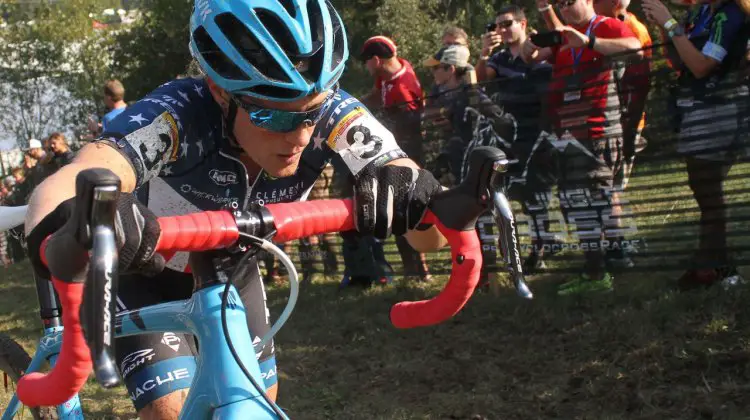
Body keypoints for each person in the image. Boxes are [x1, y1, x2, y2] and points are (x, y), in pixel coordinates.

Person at [23, 1, 444, 418]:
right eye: (271, 114)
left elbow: (429, 238)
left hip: (233, 273)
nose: (299, 135)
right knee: (170, 412)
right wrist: (76, 213)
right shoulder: (179, 113)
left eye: (312, 114)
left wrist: (413, 193)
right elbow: (84, 171)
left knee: (258, 405)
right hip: (148, 277)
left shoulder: (333, 110)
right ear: (220, 91)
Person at [521, 0, 642, 295]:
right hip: (569, 133)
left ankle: (598, 273)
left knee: (589, 200)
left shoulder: (604, 25)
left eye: (569, 2)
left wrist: (589, 41)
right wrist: (529, 50)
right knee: (575, 201)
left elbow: (635, 48)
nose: (564, 8)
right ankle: (599, 266)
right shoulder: (565, 34)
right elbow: (538, 56)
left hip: (597, 129)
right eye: (559, 4)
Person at [642, 0, 750, 289]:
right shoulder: (703, 12)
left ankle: (721, 270)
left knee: (708, 192)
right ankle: (710, 268)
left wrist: (669, 24)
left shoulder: (731, 13)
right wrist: (665, 30)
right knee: (704, 190)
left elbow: (702, 66)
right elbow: (681, 62)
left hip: (720, 107)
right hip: (699, 108)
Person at [424, 44, 516, 289]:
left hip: (478, 174)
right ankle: (479, 277)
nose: (434, 75)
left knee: (482, 224)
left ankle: (491, 278)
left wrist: (490, 149)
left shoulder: (473, 96)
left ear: (451, 69)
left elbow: (503, 121)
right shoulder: (450, 98)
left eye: (437, 69)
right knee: (468, 224)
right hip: (460, 170)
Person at [360, 36, 433, 282]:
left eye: (366, 61)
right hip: (392, 152)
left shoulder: (403, 88)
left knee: (404, 209)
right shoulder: (388, 73)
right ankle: (412, 270)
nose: (365, 67)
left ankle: (418, 270)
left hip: (405, 156)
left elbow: (410, 128)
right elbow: (374, 94)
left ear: (377, 60)